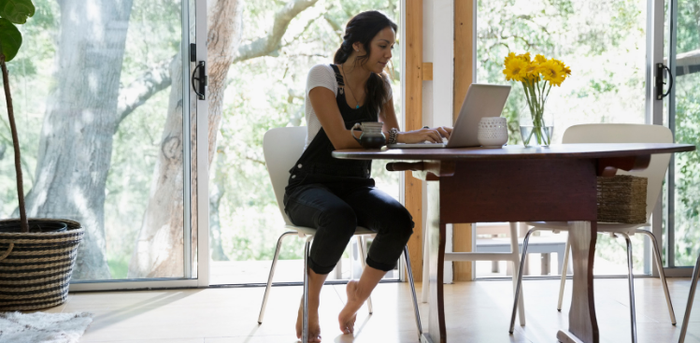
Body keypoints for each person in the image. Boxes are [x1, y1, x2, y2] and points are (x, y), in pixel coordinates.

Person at [283, 10, 452, 342]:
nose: (389, 55)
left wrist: (421, 135)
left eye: (391, 47)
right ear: (359, 46)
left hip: (356, 185)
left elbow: (393, 136)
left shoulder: (381, 85)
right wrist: (400, 136)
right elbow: (343, 139)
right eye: (383, 46)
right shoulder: (323, 77)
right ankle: (311, 301)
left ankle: (356, 298)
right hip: (309, 186)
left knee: (399, 220)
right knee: (338, 216)